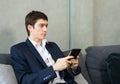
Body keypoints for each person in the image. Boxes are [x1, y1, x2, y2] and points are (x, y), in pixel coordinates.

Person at [10, 10, 81, 84]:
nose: (45, 29)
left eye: (46, 26)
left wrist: (73, 67)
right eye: (41, 26)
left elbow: (69, 73)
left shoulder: (53, 46)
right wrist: (54, 68)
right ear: (30, 28)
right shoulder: (18, 50)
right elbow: (25, 81)